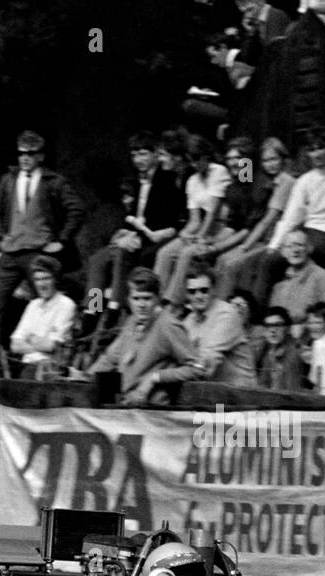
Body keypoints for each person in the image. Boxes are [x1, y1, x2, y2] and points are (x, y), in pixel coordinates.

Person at [0, 130, 85, 344]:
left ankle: (49, 351)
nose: (25, 158)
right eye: (21, 153)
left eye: (31, 154)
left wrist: (61, 241)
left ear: (40, 156)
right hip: (12, 251)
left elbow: (77, 209)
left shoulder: (54, 182)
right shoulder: (8, 180)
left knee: (46, 304)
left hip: (39, 252)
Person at [85, 131, 185, 315]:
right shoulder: (138, 180)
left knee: (124, 252)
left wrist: (137, 236)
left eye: (143, 154)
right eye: (134, 155)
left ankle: (115, 307)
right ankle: (93, 310)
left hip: (154, 238)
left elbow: (167, 220)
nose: (138, 159)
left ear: (155, 154)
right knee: (97, 260)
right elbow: (133, 215)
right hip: (135, 235)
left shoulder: (167, 180)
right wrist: (123, 232)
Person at [87, 267, 202, 405]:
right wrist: (85, 377)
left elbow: (196, 369)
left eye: (147, 299)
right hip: (125, 405)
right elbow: (110, 359)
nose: (141, 305)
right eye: (136, 299)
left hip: (152, 411)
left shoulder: (168, 325)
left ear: (158, 298)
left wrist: (155, 377)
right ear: (128, 300)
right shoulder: (132, 322)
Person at [267, 126, 325, 276]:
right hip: (306, 234)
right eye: (312, 149)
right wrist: (274, 246)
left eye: (321, 148)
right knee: (270, 261)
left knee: (305, 255)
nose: (317, 154)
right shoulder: (304, 180)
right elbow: (290, 217)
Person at [214, 137, 296, 302]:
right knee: (222, 259)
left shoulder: (285, 182)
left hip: (274, 241)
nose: (270, 164)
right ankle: (219, 304)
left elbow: (266, 220)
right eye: (266, 160)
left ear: (282, 159)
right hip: (259, 236)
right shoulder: (262, 180)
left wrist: (245, 246)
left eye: (274, 159)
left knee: (232, 263)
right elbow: (245, 206)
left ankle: (224, 307)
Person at [154, 135, 232, 304]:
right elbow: (195, 220)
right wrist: (184, 234)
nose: (195, 164)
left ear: (206, 155)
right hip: (203, 228)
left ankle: (172, 302)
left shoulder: (219, 171)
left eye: (198, 159)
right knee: (165, 252)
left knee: (186, 253)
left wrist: (199, 238)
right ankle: (157, 299)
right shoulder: (192, 181)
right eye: (192, 160)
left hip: (222, 229)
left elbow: (212, 212)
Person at [180, 264, 257, 385]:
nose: (198, 296)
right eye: (192, 291)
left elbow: (206, 363)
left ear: (214, 290)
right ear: (187, 295)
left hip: (238, 398)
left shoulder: (227, 314)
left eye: (204, 290)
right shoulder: (188, 321)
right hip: (214, 394)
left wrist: (160, 376)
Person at [267, 229, 325, 323]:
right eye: (289, 246)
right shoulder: (278, 287)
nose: (295, 250)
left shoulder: (323, 278)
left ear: (310, 248)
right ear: (283, 252)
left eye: (300, 245)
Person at [256, 306, 304, 391]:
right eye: (268, 325)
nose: (272, 330)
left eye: (278, 325)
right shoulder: (270, 351)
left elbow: (291, 395)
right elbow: (262, 384)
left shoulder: (292, 353)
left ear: (288, 328)